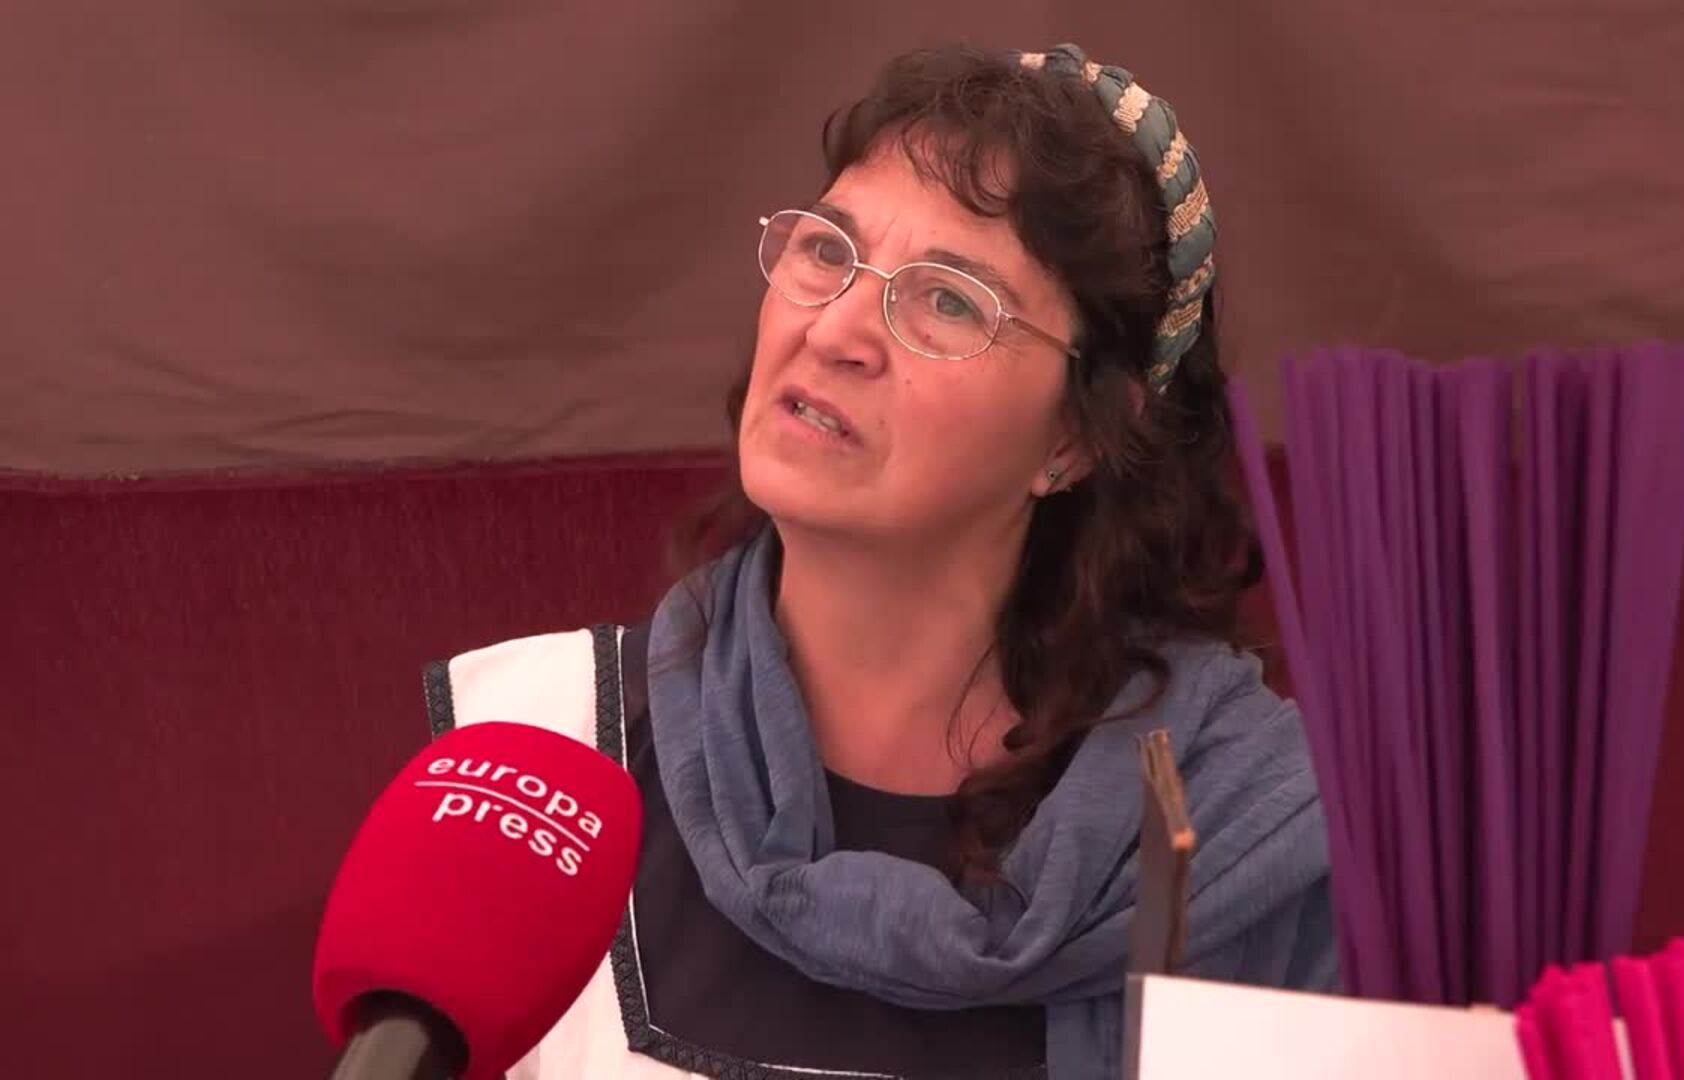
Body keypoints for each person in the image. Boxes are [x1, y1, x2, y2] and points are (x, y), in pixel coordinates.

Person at [428, 41, 1338, 1080]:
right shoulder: (531, 758)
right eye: (828, 252)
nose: (838, 332)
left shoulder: (1248, 838)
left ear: (1075, 437)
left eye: (947, 301)